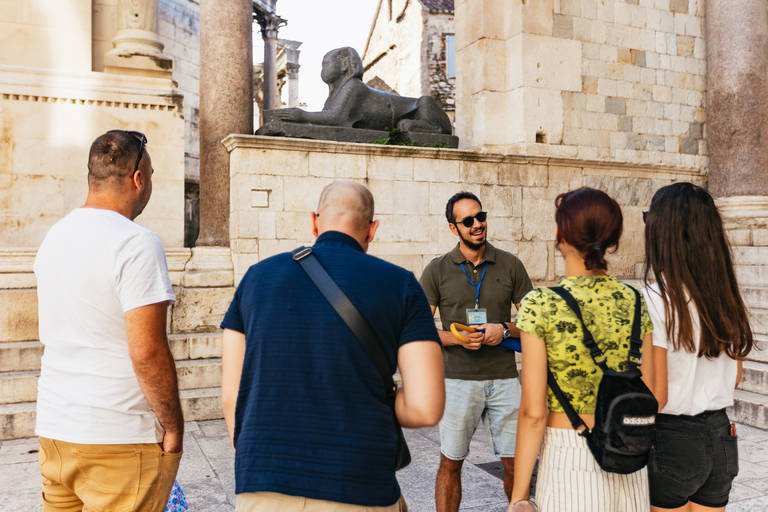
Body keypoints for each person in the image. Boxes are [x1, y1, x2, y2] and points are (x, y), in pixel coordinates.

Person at [221, 180, 445, 512]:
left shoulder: (255, 277)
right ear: (372, 229)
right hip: (358, 482)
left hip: (262, 483)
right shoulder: (401, 284)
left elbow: (232, 396)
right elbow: (425, 408)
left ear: (314, 221)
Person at [34, 130, 183, 511]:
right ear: (138, 179)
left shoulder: (54, 237)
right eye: (149, 175)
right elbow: (148, 352)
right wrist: (174, 426)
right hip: (117, 438)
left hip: (55, 430)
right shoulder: (136, 242)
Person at [509, 187, 655, 512]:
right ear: (613, 239)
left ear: (562, 234)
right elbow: (657, 390)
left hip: (570, 454)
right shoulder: (634, 300)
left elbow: (533, 413)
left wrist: (519, 496)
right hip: (629, 454)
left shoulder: (541, 304)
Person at [642, 183, 753, 512]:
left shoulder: (655, 297)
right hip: (721, 435)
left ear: (664, 231)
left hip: (671, 436)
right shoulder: (725, 293)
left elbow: (656, 394)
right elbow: (734, 377)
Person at [420, 191, 533, 512]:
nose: (477, 224)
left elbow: (536, 324)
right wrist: (456, 339)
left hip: (505, 382)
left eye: (480, 216)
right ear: (453, 228)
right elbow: (418, 328)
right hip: (457, 382)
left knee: (517, 466)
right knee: (451, 463)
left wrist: (505, 329)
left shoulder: (511, 265)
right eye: (467, 221)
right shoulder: (437, 270)